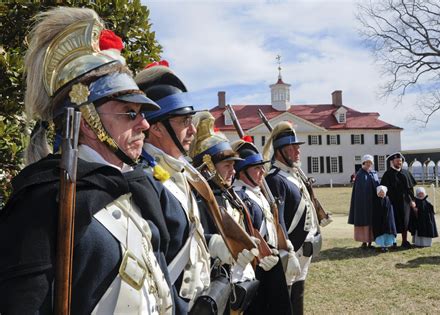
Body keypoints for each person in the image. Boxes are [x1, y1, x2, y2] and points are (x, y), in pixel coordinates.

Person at [0, 7, 173, 314]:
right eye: (128, 112)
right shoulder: (42, 202)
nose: (144, 124)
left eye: (142, 113)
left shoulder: (128, 187)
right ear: (86, 121)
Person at [135, 63, 211, 313]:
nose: (192, 130)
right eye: (183, 121)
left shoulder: (179, 172)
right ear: (156, 127)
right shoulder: (145, 179)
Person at [190, 112, 274, 314]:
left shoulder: (231, 197)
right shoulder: (197, 199)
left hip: (241, 287)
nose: (233, 171)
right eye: (227, 165)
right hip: (217, 289)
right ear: (208, 166)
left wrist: (262, 251)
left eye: (234, 166)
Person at [232, 140, 297, 314]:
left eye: (262, 167)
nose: (262, 172)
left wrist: (287, 249)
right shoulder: (240, 196)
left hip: (270, 262)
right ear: (242, 172)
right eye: (256, 168)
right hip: (256, 264)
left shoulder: (256, 192)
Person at [263, 121, 321, 315]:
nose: (298, 151)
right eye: (292, 147)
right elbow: (278, 221)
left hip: (305, 250)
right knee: (285, 301)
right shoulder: (274, 179)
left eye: (297, 147)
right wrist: (286, 253)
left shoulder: (293, 175)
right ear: (280, 152)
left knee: (298, 296)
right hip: (290, 253)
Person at [381, 152, 417, 248]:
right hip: (392, 202)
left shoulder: (406, 173)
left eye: (400, 161)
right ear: (392, 162)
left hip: (405, 202)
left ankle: (405, 241)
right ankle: (393, 242)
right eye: (397, 161)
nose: (399, 162)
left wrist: (412, 201)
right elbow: (383, 189)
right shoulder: (387, 174)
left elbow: (410, 189)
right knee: (393, 221)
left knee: (405, 221)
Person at [348, 154, 378, 249]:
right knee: (364, 220)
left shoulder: (374, 173)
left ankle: (370, 242)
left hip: (373, 203)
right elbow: (358, 191)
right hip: (363, 203)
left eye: (370, 162)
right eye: (367, 162)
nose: (369, 164)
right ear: (363, 163)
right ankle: (364, 242)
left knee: (372, 221)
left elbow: (377, 186)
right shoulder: (360, 175)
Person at [372, 185, 397, 253]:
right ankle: (383, 246)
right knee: (381, 233)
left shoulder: (388, 199)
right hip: (379, 221)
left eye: (382, 192)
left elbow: (390, 211)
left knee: (388, 232)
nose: (381, 193)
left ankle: (391, 243)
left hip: (388, 220)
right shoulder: (376, 201)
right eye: (380, 192)